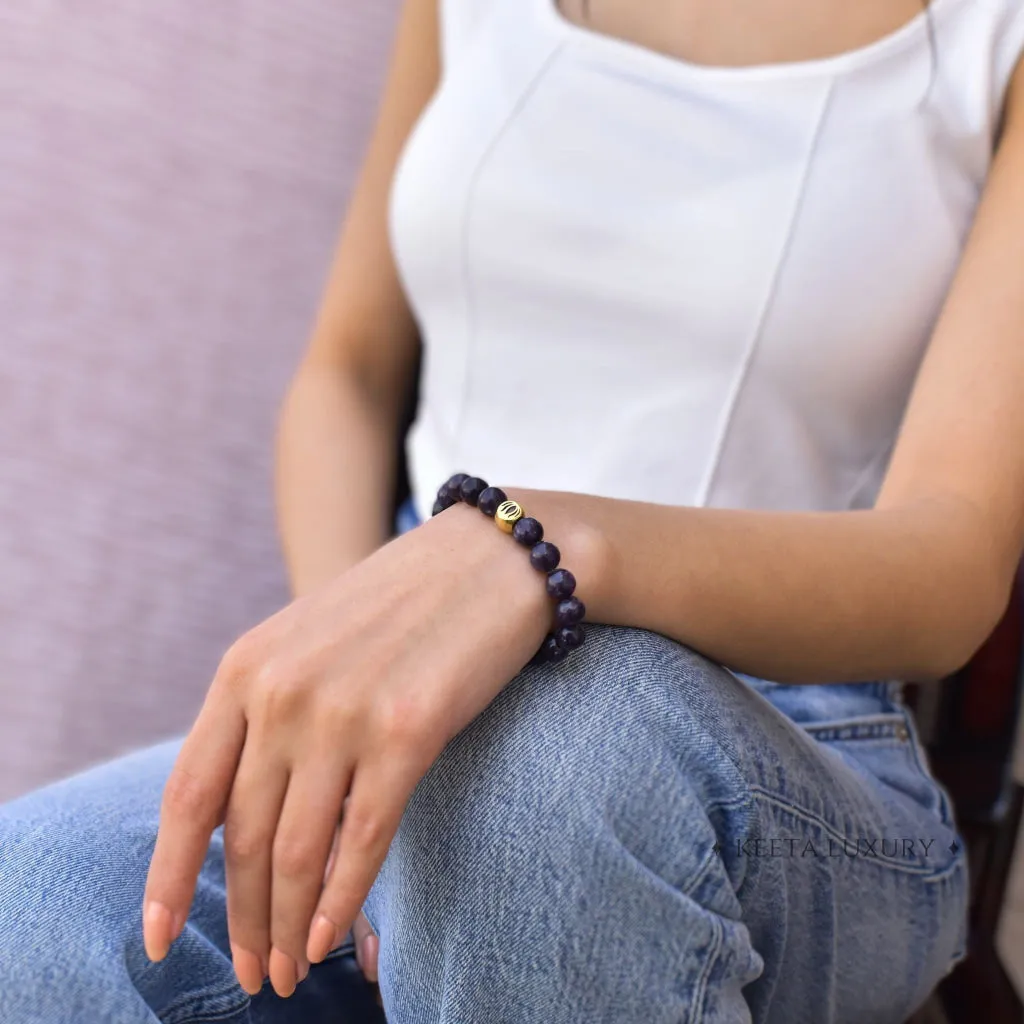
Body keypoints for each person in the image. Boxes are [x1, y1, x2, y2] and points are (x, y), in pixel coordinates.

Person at [4, 0, 1024, 1020]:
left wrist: (532, 548)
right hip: (428, 698)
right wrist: (362, 682)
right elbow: (345, 376)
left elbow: (950, 560)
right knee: (33, 902)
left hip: (790, 735)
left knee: (550, 789)